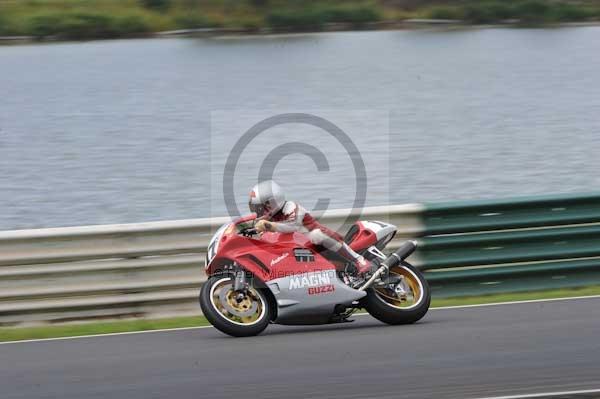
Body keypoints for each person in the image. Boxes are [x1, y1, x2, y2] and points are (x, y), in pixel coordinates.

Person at [248, 180, 374, 275]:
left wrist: (269, 226)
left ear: (274, 201)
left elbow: (293, 226)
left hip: (318, 242)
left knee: (316, 235)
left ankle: (358, 260)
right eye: (258, 208)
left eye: (263, 207)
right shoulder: (269, 220)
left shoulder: (291, 207)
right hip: (301, 251)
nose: (261, 211)